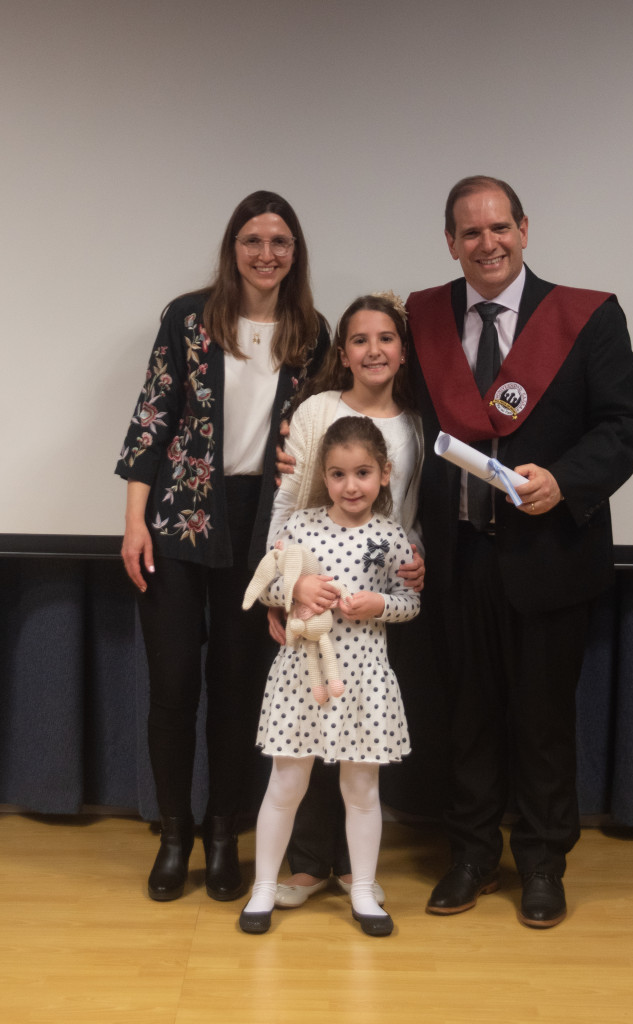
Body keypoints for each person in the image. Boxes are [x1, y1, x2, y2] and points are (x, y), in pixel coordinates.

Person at [406, 175, 633, 927]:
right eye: (470, 233)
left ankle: (543, 862)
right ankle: (472, 855)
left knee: (543, 720)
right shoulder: (422, 318)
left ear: (523, 228)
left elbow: (627, 424)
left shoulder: (586, 317)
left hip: (549, 553)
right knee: (466, 715)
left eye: (499, 228)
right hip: (456, 556)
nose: (487, 244)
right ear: (450, 243)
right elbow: (383, 409)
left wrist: (565, 479)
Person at [115, 191, 330, 902]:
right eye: (252, 240)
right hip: (178, 520)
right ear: (232, 248)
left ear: (295, 253)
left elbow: (320, 434)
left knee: (238, 691)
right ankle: (174, 835)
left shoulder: (312, 333)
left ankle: (220, 835)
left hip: (260, 527)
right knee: (174, 685)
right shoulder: (188, 318)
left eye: (280, 241)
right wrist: (134, 522)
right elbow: (152, 420)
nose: (266, 254)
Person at [267, 293, 425, 910]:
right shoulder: (317, 410)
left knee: (359, 745)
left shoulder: (417, 423)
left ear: (403, 351)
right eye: (360, 339)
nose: (373, 350)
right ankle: (309, 866)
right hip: (314, 599)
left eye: (386, 338)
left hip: (376, 596)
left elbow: (414, 507)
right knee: (305, 738)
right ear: (343, 353)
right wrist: (282, 593)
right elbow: (290, 501)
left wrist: (415, 562)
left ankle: (359, 875)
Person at [238, 416, 421, 936]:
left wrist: (380, 604)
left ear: (384, 474)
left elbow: (410, 602)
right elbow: (266, 585)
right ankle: (264, 887)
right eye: (338, 474)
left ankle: (362, 888)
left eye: (362, 473)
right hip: (302, 677)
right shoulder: (300, 526)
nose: (351, 486)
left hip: (363, 679)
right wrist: (295, 591)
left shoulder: (391, 535)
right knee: (286, 784)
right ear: (324, 475)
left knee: (362, 789)